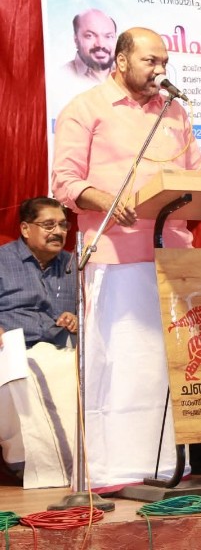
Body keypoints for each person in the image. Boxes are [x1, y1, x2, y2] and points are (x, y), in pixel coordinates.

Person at [51, 27, 201, 491]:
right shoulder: (85, 108)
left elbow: (197, 176)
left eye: (164, 62)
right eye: (150, 61)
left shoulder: (175, 112)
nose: (160, 70)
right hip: (115, 255)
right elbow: (64, 182)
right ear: (120, 61)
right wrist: (104, 199)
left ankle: (170, 465)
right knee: (122, 366)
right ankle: (113, 469)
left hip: (174, 256)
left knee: (169, 367)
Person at [0, 197, 78, 488]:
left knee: (81, 373)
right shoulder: (3, 260)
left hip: (60, 348)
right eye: (48, 225)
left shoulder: (73, 264)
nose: (58, 231)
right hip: (12, 347)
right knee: (24, 377)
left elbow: (90, 309)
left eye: (63, 225)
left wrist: (76, 318)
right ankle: (27, 463)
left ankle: (75, 464)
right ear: (25, 229)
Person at [61, 9, 117, 84]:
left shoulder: (126, 73)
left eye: (108, 36)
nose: (101, 44)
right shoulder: (61, 76)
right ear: (76, 40)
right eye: (89, 36)